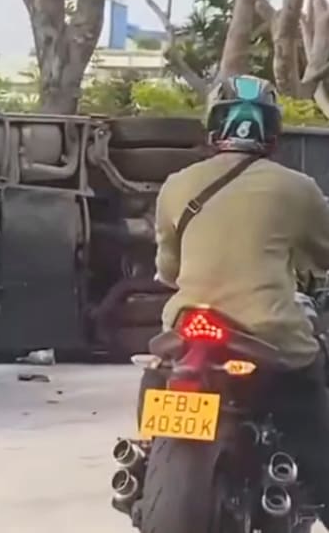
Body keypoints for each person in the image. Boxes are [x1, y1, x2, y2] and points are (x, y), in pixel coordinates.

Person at [143, 73, 329, 523]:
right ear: (272, 131)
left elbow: (169, 270)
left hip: (187, 329)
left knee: (157, 374)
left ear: (214, 127)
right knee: (311, 400)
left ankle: (146, 461)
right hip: (268, 333)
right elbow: (323, 257)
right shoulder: (296, 188)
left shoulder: (176, 186)